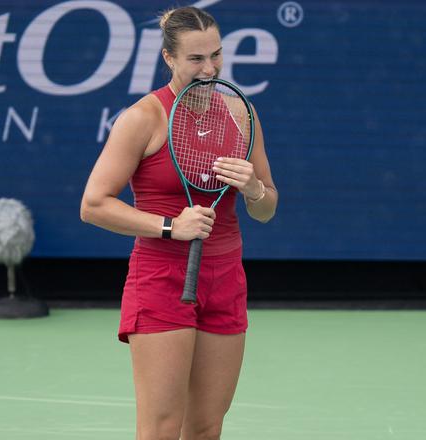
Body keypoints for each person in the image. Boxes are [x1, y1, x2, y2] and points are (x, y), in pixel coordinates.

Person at [80, 6, 277, 440]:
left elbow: (267, 208)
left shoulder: (242, 115)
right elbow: (93, 205)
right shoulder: (142, 118)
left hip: (225, 278)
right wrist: (171, 226)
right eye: (195, 59)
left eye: (216, 56)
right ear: (169, 58)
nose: (209, 69)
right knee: (161, 428)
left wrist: (254, 191)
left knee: (206, 427)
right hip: (161, 276)